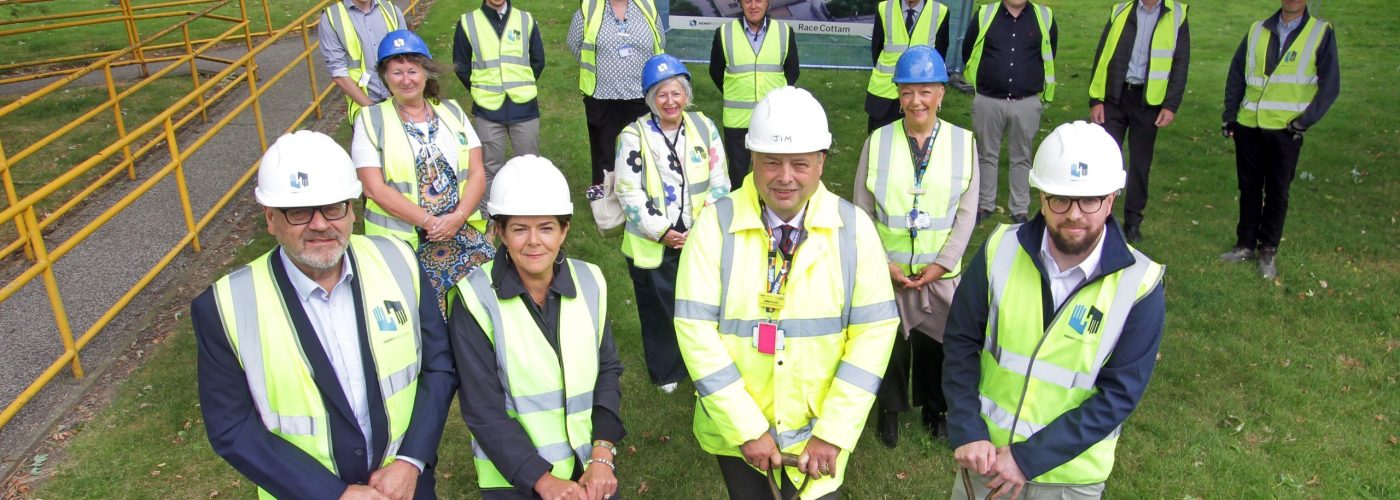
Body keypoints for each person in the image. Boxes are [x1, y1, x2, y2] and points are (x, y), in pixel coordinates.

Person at [193, 131, 456, 499]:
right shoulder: (225, 305)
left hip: (405, 488)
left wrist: (411, 461)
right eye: (299, 211)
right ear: (270, 218)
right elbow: (232, 427)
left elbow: (439, 367)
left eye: (334, 207)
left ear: (351, 210)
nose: (320, 224)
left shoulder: (399, 261)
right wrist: (334, 494)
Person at [674, 86, 899, 499]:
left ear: (821, 162)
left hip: (821, 441)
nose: (785, 177)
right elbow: (695, 333)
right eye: (771, 162)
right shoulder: (713, 227)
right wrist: (748, 429)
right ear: (751, 159)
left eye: (800, 164)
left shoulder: (855, 230)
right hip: (739, 440)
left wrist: (832, 433)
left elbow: (874, 336)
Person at [942, 121, 1165, 499]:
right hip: (987, 460)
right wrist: (967, 427)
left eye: (1090, 200)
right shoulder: (1000, 249)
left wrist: (1028, 459)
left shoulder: (1140, 284)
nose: (1074, 214)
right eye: (1060, 199)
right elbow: (961, 340)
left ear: (1111, 199)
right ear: (1041, 198)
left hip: (1069, 479)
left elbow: (1119, 395)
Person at [449, 155, 625, 500]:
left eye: (546, 227)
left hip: (589, 469)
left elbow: (607, 370)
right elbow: (482, 409)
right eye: (519, 228)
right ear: (499, 231)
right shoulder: (474, 298)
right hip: (515, 479)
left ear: (564, 230)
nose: (533, 241)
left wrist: (603, 453)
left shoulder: (591, 280)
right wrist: (544, 481)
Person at [852, 45, 977, 449]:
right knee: (889, 344)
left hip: (938, 274)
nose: (916, 101)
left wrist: (942, 265)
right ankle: (889, 409)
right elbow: (862, 208)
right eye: (907, 92)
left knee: (937, 345)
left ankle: (934, 409)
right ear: (898, 95)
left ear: (941, 92)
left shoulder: (964, 143)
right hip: (887, 271)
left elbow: (967, 214)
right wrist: (883, 262)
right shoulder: (878, 141)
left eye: (925, 91)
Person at [353, 30, 494, 316]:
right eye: (396, 72)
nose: (406, 79)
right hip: (404, 243)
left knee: (478, 304)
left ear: (426, 73)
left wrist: (456, 218)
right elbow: (373, 188)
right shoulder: (370, 120)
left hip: (460, 230)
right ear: (385, 77)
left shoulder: (452, 111)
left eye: (412, 70)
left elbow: (477, 171)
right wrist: (431, 223)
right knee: (423, 314)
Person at [616, 54, 730, 394]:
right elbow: (627, 191)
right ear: (651, 98)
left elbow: (720, 181)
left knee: (701, 303)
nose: (670, 101)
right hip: (654, 241)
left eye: (677, 93)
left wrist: (700, 228)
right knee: (659, 308)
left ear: (687, 95)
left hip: (698, 235)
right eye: (662, 94)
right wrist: (662, 232)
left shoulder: (703, 126)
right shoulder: (633, 136)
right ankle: (667, 371)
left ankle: (702, 364)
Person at [1220, 0, 1339, 280]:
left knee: (1277, 193)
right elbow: (1237, 73)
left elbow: (1330, 85)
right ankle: (1245, 245)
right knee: (1249, 188)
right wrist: (1230, 114)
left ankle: (1268, 251)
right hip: (1249, 124)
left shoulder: (1320, 32)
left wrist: (1303, 121)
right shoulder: (1257, 30)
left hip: (1285, 130)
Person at [1088, 0, 1190, 244]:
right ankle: (1100, 216)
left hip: (1148, 102)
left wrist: (1170, 105)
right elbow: (1103, 55)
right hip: (1116, 96)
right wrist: (1096, 99)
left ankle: (1133, 222)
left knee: (1140, 165)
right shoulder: (1121, 9)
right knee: (1106, 159)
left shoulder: (1177, 15)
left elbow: (1180, 64)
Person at [962, 0, 1057, 225]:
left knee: (1022, 156)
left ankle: (1020, 208)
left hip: (1026, 102)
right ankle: (985, 204)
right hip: (988, 100)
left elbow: (1050, 51)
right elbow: (968, 49)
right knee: (986, 154)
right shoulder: (984, 14)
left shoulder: (1045, 17)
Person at [453, 0, 546, 201]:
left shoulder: (525, 19)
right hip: (487, 109)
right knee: (489, 168)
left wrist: (520, 84)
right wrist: (480, 89)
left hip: (524, 107)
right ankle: (490, 220)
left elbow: (538, 60)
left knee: (529, 165)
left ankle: (529, 212)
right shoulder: (468, 22)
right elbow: (460, 66)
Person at [568, 0, 665, 188]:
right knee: (605, 155)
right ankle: (607, 206)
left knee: (642, 152)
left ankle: (641, 200)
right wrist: (601, 64)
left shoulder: (647, 6)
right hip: (602, 96)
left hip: (642, 96)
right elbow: (574, 43)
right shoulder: (589, 8)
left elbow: (660, 40)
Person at [708, 0, 799, 188]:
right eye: (747, 0)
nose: (753, 5)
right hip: (737, 120)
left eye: (759, 0)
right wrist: (736, 91)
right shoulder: (724, 33)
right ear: (740, 3)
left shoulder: (784, 32)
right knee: (738, 176)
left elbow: (793, 71)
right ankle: (740, 215)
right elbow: (715, 72)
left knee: (772, 173)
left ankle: (767, 212)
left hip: (772, 119)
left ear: (768, 3)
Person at [865, 0, 950, 132]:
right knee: (880, 142)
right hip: (884, 94)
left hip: (920, 96)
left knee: (915, 143)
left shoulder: (939, 11)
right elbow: (876, 48)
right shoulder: (884, 8)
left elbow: (938, 57)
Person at [319, 0, 407, 123]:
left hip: (400, 100)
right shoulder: (331, 17)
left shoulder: (390, 9)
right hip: (364, 107)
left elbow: (407, 56)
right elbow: (338, 73)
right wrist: (373, 111)